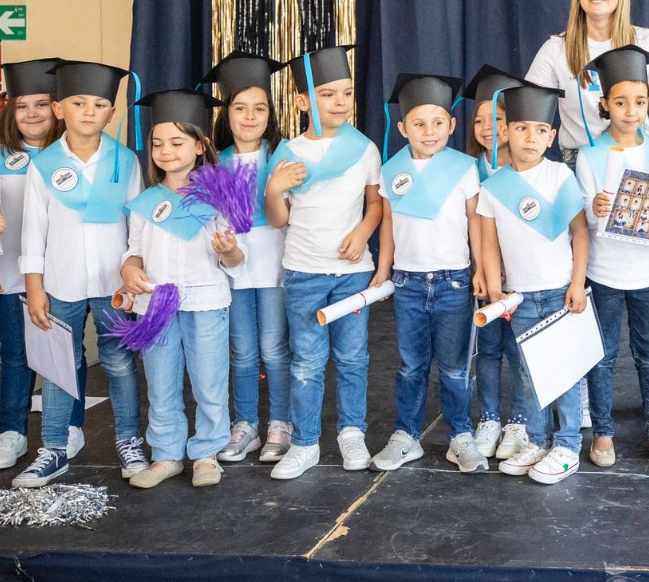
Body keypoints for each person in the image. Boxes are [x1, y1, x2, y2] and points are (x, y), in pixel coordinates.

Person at [15, 61, 145, 488]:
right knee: (57, 367)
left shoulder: (125, 162)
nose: (89, 111)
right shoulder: (43, 165)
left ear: (111, 113)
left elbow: (138, 226)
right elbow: (34, 231)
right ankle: (53, 449)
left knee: (119, 364)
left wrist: (135, 274)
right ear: (58, 109)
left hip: (114, 286)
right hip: (60, 284)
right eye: (78, 102)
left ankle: (128, 441)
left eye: (100, 104)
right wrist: (34, 288)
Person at [264, 45, 383, 480]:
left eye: (346, 94)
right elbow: (279, 220)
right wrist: (274, 190)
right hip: (303, 272)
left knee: (353, 358)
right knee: (306, 361)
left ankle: (352, 432)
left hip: (351, 274)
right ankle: (306, 442)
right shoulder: (287, 152)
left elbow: (375, 205)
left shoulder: (364, 148)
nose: (339, 103)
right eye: (328, 94)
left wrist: (363, 233)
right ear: (302, 101)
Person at [118, 90, 241, 489]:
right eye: (157, 143)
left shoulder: (219, 194)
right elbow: (134, 252)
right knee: (161, 382)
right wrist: (129, 269)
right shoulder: (146, 200)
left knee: (208, 381)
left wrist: (230, 250)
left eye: (177, 142)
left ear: (200, 145)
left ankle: (206, 452)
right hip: (156, 306)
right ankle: (167, 454)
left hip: (205, 300)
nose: (165, 151)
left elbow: (237, 259)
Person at [369, 73, 486, 474]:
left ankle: (460, 435)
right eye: (418, 124)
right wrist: (383, 270)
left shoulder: (463, 168)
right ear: (402, 128)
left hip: (454, 279)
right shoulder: (392, 170)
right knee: (410, 365)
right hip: (408, 282)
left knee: (454, 366)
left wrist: (480, 270)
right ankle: (406, 436)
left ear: (452, 126)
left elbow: (475, 222)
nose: (429, 131)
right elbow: (386, 223)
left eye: (438, 123)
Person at [577, 45, 649, 469]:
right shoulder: (588, 157)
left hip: (648, 272)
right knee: (603, 354)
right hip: (605, 272)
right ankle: (603, 432)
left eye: (639, 102)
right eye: (620, 102)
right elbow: (584, 219)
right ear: (604, 103)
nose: (630, 110)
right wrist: (596, 210)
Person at [476, 82, 590, 484]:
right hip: (519, 297)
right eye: (521, 128)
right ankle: (537, 440)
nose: (531, 137)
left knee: (566, 372)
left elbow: (580, 234)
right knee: (530, 372)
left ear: (552, 136)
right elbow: (489, 246)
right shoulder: (492, 187)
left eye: (541, 130)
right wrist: (495, 293)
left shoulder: (559, 175)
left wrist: (577, 283)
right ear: (504, 131)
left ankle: (567, 444)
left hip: (560, 291)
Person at [0, 58, 81, 473]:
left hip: (61, 277)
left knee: (63, 355)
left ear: (57, 108)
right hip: (10, 275)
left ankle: (70, 426)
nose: (31, 114)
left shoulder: (71, 154)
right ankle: (12, 432)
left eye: (41, 104)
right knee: (16, 353)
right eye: (22, 106)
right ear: (10, 112)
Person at [203, 52, 293, 466]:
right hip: (234, 264)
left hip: (275, 260)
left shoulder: (283, 155)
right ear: (227, 112)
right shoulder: (214, 163)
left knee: (274, 347)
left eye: (259, 108)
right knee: (241, 351)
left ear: (270, 113)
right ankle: (245, 425)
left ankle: (280, 422)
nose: (250, 117)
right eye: (240, 108)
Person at [525, 0, 649, 163]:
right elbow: (531, 112)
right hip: (579, 159)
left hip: (641, 158)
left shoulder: (647, 41)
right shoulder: (555, 48)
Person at [465, 65, 531, 459]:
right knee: (487, 350)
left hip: (523, 278)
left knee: (521, 350)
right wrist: (482, 270)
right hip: (485, 278)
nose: (488, 127)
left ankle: (519, 423)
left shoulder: (530, 170)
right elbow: (472, 228)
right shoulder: (469, 170)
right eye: (479, 120)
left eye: (498, 120)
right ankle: (489, 418)